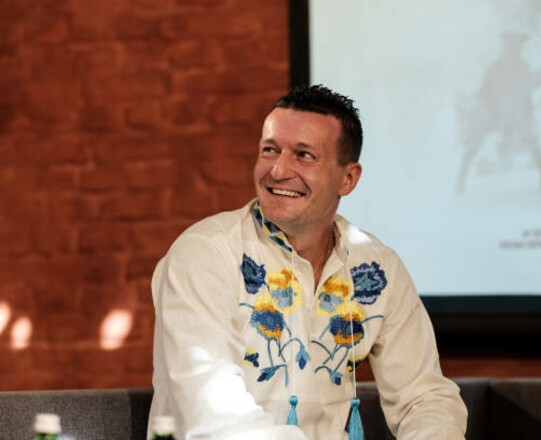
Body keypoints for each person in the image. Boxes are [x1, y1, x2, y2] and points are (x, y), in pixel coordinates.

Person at [148, 85, 468, 439]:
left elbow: (424, 398)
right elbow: (214, 416)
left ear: (348, 179)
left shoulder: (378, 268)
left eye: (304, 155)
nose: (278, 170)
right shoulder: (206, 253)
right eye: (270, 150)